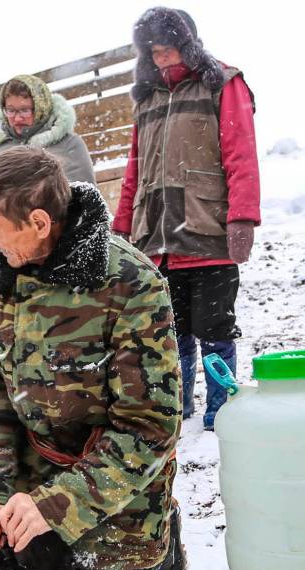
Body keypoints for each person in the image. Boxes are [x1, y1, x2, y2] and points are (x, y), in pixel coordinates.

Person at [0, 147, 184, 570]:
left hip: (113, 484)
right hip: (34, 475)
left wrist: (57, 506)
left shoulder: (129, 283)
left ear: (38, 221)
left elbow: (150, 429)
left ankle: (158, 540)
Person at [113, 6, 260, 431]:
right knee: (170, 330)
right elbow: (134, 169)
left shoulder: (223, 84)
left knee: (214, 326)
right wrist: (122, 228)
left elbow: (241, 154)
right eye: (154, 51)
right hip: (156, 238)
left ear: (188, 43)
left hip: (206, 226)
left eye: (169, 48)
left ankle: (221, 408)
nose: (162, 58)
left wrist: (242, 218)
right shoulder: (147, 97)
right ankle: (179, 405)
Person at [0, 74, 96, 273]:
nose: (17, 118)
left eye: (24, 110)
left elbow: (78, 205)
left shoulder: (67, 145)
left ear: (40, 108)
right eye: (10, 110)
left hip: (39, 256)